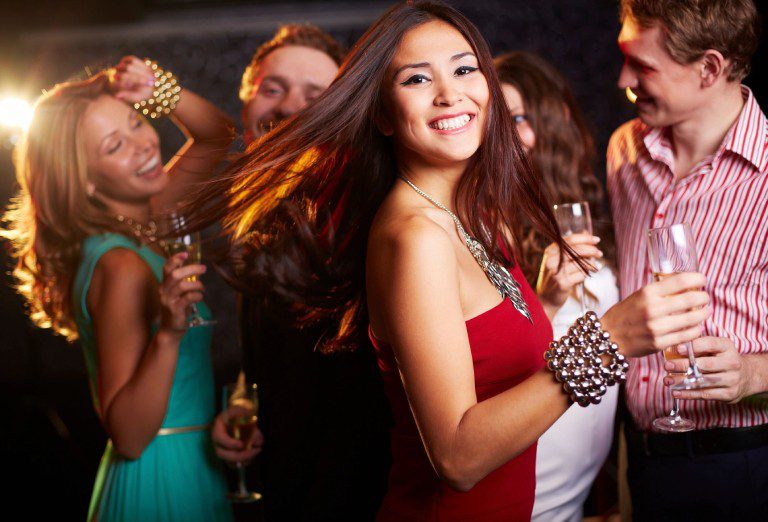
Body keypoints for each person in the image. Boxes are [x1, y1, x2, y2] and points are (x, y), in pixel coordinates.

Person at [189, 1, 710, 519]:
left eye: (465, 69)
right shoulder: (416, 236)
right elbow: (457, 458)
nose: (450, 93)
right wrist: (607, 341)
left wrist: (544, 303)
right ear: (382, 114)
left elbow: (490, 366)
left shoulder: (470, 217)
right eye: (417, 80)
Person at [3, 56, 236, 521]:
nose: (144, 145)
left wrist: (158, 89)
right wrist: (169, 333)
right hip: (160, 479)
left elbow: (217, 135)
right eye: (115, 145)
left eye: (136, 123)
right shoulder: (121, 264)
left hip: (195, 465)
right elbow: (128, 435)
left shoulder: (145, 218)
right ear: (85, 180)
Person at [211, 24, 392, 521]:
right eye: (274, 89)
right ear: (246, 103)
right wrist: (245, 401)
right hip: (286, 485)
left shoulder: (370, 209)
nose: (291, 106)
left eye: (316, 94)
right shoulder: (258, 205)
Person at [607, 0, 768, 519]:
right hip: (642, 459)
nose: (623, 79)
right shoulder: (623, 151)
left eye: (643, 66)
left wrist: (752, 375)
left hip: (747, 465)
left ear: (710, 68)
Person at [495, 51, 620, 522]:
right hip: (525, 487)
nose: (503, 137)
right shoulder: (486, 227)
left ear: (555, 120)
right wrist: (545, 299)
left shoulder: (592, 212)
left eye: (517, 119)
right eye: (492, 123)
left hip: (579, 495)